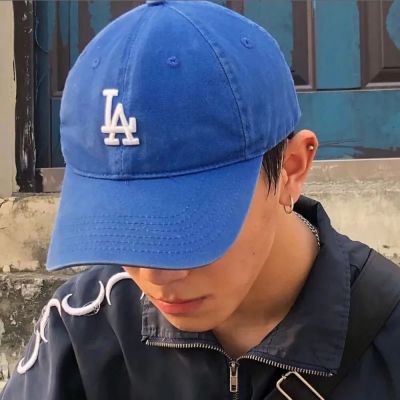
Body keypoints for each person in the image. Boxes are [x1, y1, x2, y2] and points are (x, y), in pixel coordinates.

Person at [1, 1, 400, 399]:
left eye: (188, 227)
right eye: (124, 227)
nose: (155, 277)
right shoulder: (81, 329)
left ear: (291, 170)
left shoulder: (388, 343)